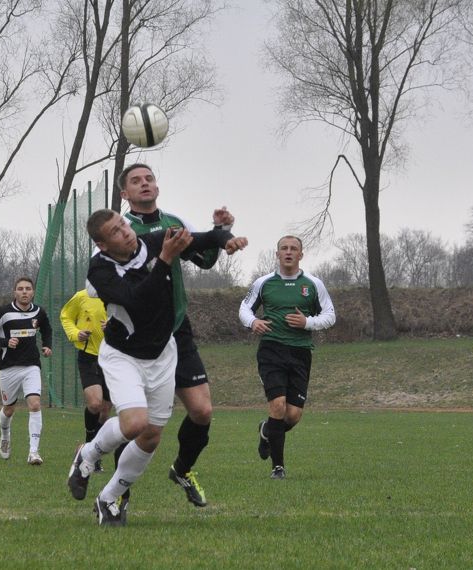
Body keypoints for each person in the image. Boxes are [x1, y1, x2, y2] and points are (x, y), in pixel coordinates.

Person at [67, 208, 247, 526]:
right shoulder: (100, 270)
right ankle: (89, 454)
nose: (125, 231)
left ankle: (108, 498)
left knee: (150, 436)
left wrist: (226, 237)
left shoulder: (150, 241)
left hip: (163, 354)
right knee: (135, 423)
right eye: (115, 231)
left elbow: (203, 238)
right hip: (123, 355)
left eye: (123, 224)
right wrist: (164, 260)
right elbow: (138, 302)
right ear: (103, 244)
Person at [118, 163, 234, 507]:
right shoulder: (121, 230)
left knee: (202, 412)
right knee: (138, 425)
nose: (144, 184)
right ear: (125, 193)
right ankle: (119, 493)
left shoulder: (174, 223)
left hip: (177, 330)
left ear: (157, 186)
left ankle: (182, 470)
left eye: (149, 179)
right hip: (137, 337)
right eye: (136, 181)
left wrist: (221, 229)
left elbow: (206, 260)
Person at [238, 236, 336, 479]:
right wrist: (253, 322)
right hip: (271, 350)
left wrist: (307, 322)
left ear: (301, 255)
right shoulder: (264, 282)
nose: (289, 252)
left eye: (294, 249)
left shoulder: (313, 284)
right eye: (284, 248)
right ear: (277, 254)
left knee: (292, 415)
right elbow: (244, 308)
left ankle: (266, 431)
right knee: (278, 406)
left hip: (300, 352)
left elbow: (330, 315)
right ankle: (278, 467)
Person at [0, 276, 53, 465]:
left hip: (31, 366)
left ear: (32, 292)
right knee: (8, 409)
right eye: (20, 289)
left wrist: (47, 345)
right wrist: (6, 342)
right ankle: (5, 435)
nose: (24, 292)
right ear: (15, 292)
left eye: (28, 289)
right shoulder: (3, 313)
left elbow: (47, 329)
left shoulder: (39, 312)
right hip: (8, 368)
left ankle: (34, 452)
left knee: (35, 404)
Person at [59, 288, 110, 472]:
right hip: (89, 356)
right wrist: (76, 333)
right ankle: (89, 449)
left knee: (104, 412)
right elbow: (65, 316)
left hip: (114, 358)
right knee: (95, 404)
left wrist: (115, 328)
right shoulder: (82, 296)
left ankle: (90, 452)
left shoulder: (119, 295)